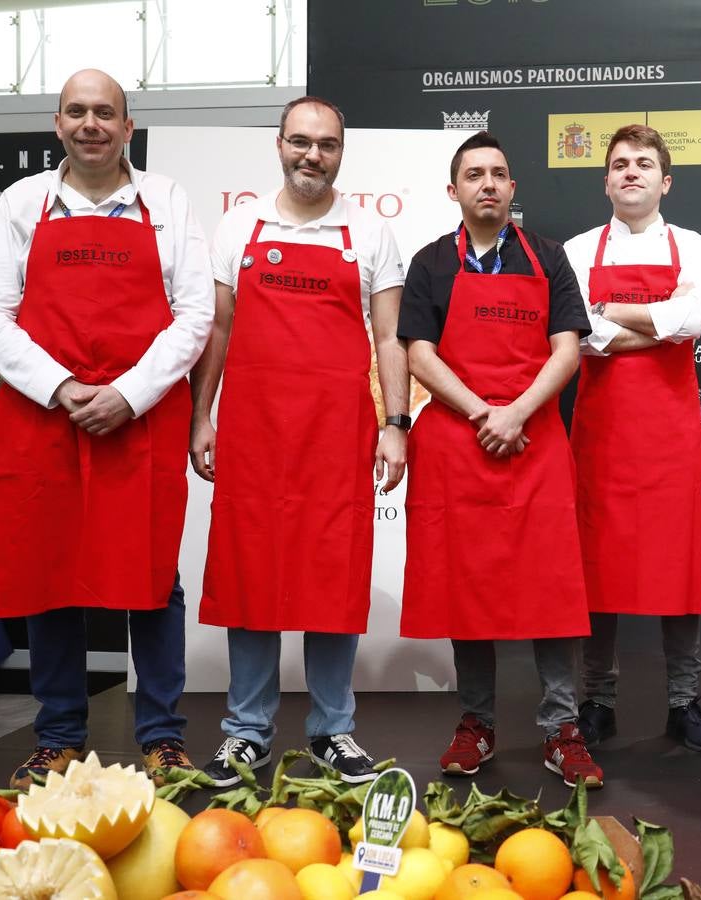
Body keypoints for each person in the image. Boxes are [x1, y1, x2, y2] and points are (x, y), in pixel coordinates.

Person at [0, 69, 213, 789]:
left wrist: (130, 395)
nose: (90, 125)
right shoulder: (22, 203)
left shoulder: (166, 201)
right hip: (44, 420)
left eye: (105, 113)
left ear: (128, 127)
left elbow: (194, 313)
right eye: (76, 112)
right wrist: (65, 387)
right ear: (57, 124)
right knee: (48, 575)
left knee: (151, 577)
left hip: (136, 424)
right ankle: (58, 734)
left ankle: (163, 735)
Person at [190, 96, 407, 786]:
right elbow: (217, 330)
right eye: (301, 142)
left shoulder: (368, 235)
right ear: (279, 146)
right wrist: (202, 417)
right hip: (254, 434)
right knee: (252, 573)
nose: (313, 154)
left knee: (332, 577)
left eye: (327, 145)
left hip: (337, 435)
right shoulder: (237, 225)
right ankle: (246, 732)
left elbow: (388, 339)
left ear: (342, 152)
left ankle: (332, 731)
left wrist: (395, 425)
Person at [398, 131, 603, 788]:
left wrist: (516, 413)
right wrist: (484, 413)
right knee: (468, 591)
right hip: (460, 445)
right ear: (454, 190)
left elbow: (567, 351)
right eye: (474, 174)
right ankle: (477, 723)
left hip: (534, 442)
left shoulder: (548, 259)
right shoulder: (431, 263)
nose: (487, 183)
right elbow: (419, 354)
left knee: (551, 591)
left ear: (513, 189)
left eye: (499, 173)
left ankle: (560, 728)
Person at [562, 125, 701, 752]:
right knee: (596, 570)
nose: (632, 172)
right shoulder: (576, 249)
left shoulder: (695, 246)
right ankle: (596, 698)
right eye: (621, 164)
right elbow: (577, 333)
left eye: (645, 164)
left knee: (679, 570)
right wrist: (659, 319)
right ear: (606, 180)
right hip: (600, 434)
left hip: (671, 436)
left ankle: (685, 702)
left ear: (665, 180)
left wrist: (614, 315)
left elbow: (695, 321)